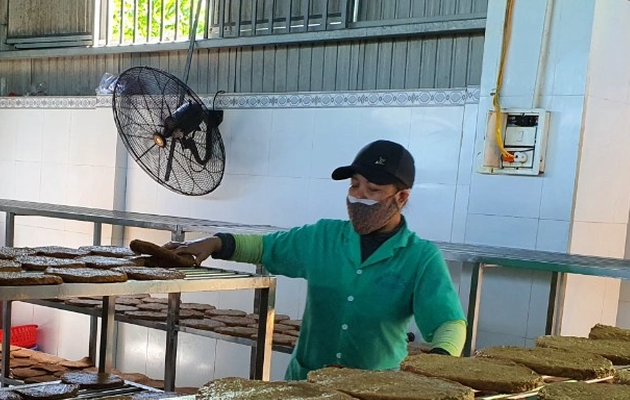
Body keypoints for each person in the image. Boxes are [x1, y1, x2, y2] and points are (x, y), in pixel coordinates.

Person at [167, 139, 466, 380]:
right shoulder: (323, 237)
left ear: (401, 198)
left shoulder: (420, 257)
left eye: (373, 190)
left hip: (374, 393)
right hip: (305, 386)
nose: (359, 196)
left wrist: (440, 362)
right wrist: (215, 242)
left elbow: (449, 323)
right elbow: (265, 248)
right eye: (354, 185)